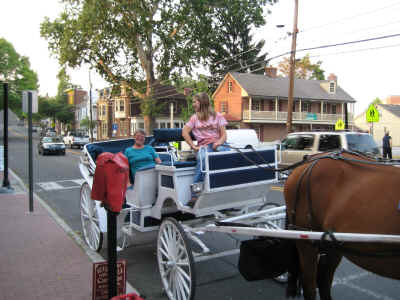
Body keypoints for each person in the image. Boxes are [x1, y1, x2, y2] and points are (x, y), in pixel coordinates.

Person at [182, 92, 229, 205]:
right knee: (203, 160)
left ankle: (226, 187)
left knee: (227, 156)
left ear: (202, 102)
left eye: (194, 102)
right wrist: (193, 146)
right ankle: (195, 195)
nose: (193, 104)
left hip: (219, 144)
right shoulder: (194, 118)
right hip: (204, 146)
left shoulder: (217, 116)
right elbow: (184, 132)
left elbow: (224, 135)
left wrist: (218, 143)